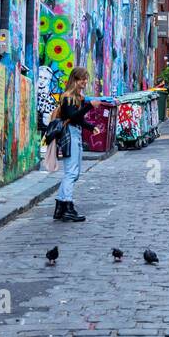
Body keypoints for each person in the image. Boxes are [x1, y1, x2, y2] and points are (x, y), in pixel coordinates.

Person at [50, 66, 108, 222]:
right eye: (82, 79)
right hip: (70, 135)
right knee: (71, 173)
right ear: (75, 79)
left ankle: (61, 207)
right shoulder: (68, 97)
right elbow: (73, 117)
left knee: (73, 173)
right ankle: (67, 207)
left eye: (86, 79)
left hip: (75, 133)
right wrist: (89, 106)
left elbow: (79, 119)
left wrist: (91, 127)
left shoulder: (77, 97)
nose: (85, 82)